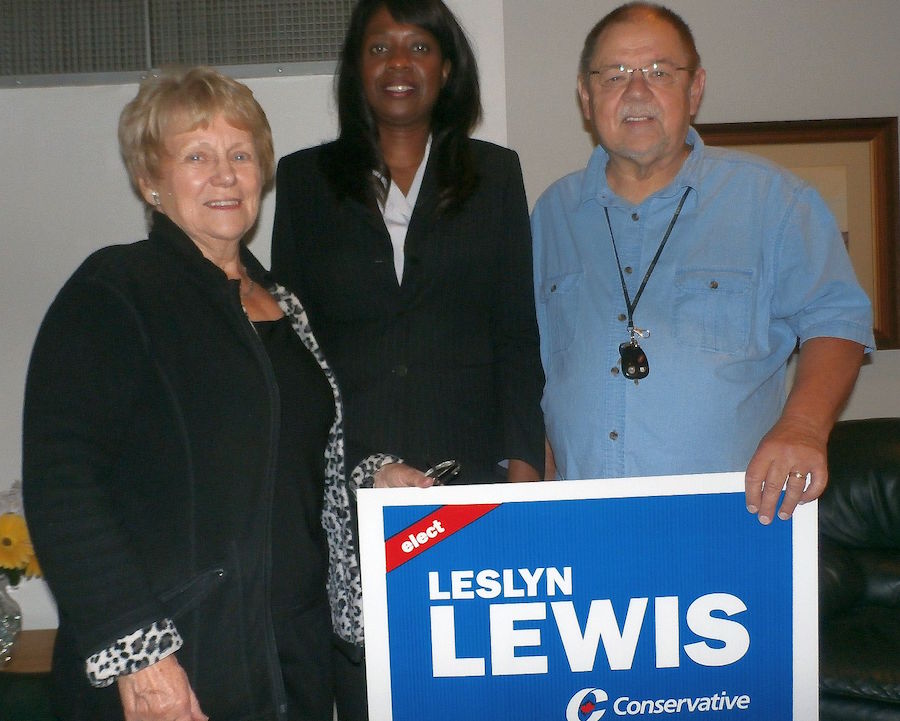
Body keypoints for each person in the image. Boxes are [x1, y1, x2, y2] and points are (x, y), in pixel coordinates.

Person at [22, 66, 370, 721]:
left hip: (294, 659)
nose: (224, 173)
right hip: (176, 669)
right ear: (150, 181)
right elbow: (62, 482)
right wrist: (139, 651)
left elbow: (293, 469)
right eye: (196, 155)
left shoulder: (289, 309)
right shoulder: (116, 289)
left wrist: (376, 473)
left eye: (240, 154)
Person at [271, 0, 545, 717]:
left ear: (446, 67)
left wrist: (524, 472)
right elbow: (294, 347)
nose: (399, 64)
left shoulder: (496, 174)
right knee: (367, 690)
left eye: (419, 46)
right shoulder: (303, 181)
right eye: (380, 48)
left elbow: (517, 332)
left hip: (471, 477)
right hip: (352, 484)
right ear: (356, 68)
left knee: (474, 685)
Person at [532, 3, 873, 524]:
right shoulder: (551, 213)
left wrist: (802, 427)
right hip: (584, 525)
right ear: (585, 94)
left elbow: (838, 321)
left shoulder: (775, 201)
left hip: (732, 521)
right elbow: (534, 365)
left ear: (695, 90)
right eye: (615, 75)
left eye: (660, 73)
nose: (637, 92)